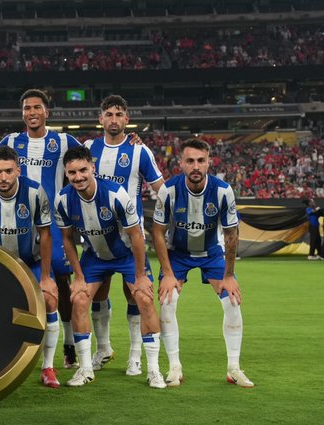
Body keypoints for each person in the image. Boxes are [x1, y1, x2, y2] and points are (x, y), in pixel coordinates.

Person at [55, 146, 165, 389]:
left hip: (127, 255)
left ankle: (154, 370)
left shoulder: (116, 194)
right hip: (94, 257)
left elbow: (137, 235)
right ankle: (85, 369)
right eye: (72, 172)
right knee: (79, 299)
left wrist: (140, 275)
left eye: (83, 170)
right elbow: (67, 240)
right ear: (66, 173)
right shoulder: (63, 199)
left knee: (144, 298)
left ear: (92, 168)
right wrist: (79, 277)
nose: (78, 177)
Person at [152, 138, 254, 388]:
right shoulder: (168, 190)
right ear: (181, 164)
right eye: (190, 161)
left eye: (201, 160)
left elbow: (231, 235)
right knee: (167, 300)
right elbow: (157, 232)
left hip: (212, 253)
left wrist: (229, 275)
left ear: (209, 163)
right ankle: (174, 367)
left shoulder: (223, 191)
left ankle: (234, 368)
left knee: (233, 300)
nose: (195, 166)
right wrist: (168, 273)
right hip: (179, 253)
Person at [0, 89, 82, 369]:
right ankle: (12, 345)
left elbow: (87, 161)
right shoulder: (11, 141)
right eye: (27, 108)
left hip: (54, 223)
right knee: (10, 280)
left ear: (47, 111)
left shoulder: (63, 141)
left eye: (37, 107)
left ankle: (69, 343)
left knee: (61, 281)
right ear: (22, 113)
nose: (32, 112)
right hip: (16, 222)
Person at [83, 95, 164, 376]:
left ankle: (135, 356)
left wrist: (169, 219)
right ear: (101, 119)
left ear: (127, 119)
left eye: (119, 114)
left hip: (131, 241)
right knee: (98, 294)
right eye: (109, 114)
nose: (114, 119)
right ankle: (103, 348)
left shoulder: (140, 151)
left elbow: (161, 189)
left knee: (136, 296)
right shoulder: (89, 148)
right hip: (97, 238)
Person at [0, 146, 61, 388]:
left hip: (32, 262)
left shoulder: (34, 192)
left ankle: (48, 367)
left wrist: (47, 277)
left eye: (9, 171)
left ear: (18, 171)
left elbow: (45, 234)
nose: (3, 177)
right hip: (0, 264)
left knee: (50, 300)